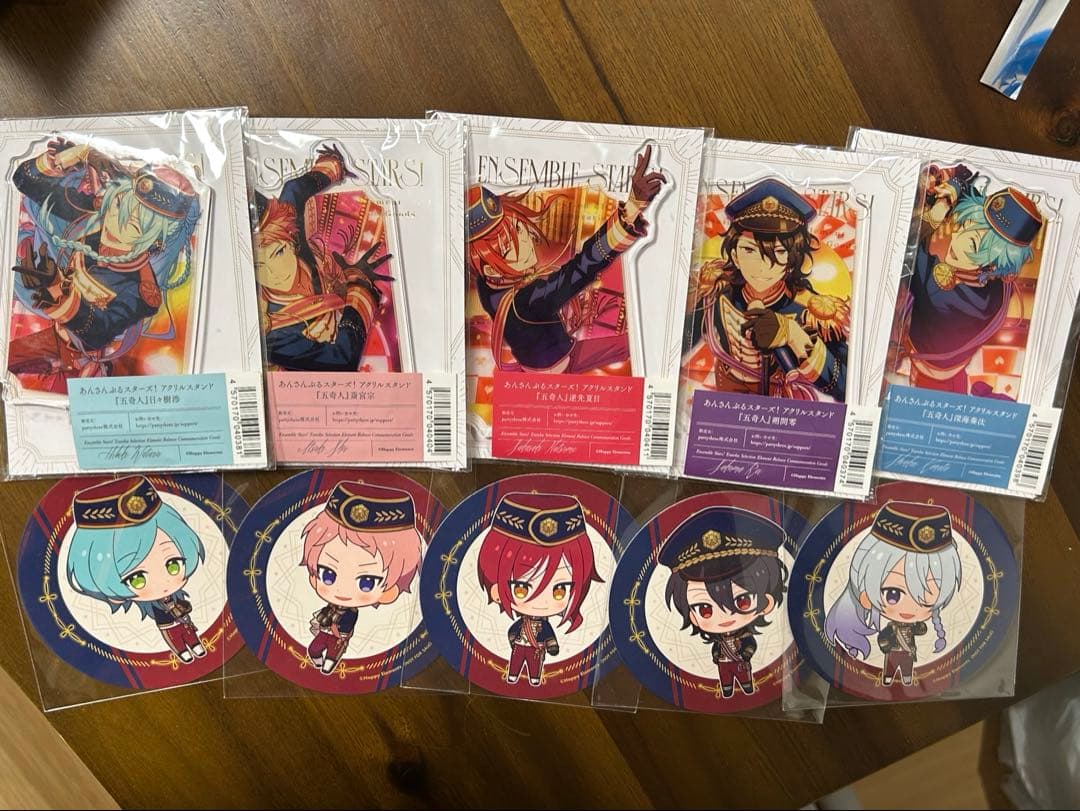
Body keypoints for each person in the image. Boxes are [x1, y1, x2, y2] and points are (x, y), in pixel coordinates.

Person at [10, 139, 200, 385]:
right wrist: (64, 160)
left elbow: (97, 331)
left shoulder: (142, 289)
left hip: (78, 362)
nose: (117, 223)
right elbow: (24, 180)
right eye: (120, 205)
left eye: (136, 224)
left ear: (154, 238)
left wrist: (57, 291)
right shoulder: (88, 217)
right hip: (42, 331)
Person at [466, 146, 664, 373]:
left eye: (519, 228)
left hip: (533, 365)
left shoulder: (487, 284)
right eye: (510, 247)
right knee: (633, 344)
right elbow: (582, 267)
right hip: (561, 366)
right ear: (491, 269)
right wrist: (631, 208)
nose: (527, 239)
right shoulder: (527, 301)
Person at [687, 178, 849, 401]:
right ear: (734, 255)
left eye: (779, 252)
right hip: (724, 400)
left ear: (792, 260)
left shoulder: (811, 311)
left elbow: (846, 385)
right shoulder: (717, 294)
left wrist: (793, 334)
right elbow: (679, 342)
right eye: (749, 251)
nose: (762, 266)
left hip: (780, 407)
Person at [900, 164, 1042, 396]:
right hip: (954, 368)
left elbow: (902, 244)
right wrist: (957, 185)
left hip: (926, 369)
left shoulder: (937, 291)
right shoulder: (996, 288)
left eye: (974, 244)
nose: (958, 239)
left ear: (994, 263)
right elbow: (976, 201)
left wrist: (938, 210)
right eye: (964, 225)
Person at [253, 144, 391, 372]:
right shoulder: (271, 335)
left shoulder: (284, 225)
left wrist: (335, 165)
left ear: (291, 241)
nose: (273, 273)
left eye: (278, 253)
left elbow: (294, 189)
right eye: (259, 265)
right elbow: (342, 359)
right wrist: (360, 290)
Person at [66, 476, 208, 663]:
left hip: (184, 620)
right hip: (166, 623)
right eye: (137, 578)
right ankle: (182, 651)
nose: (163, 582)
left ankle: (195, 644)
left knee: (187, 629)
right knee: (173, 634)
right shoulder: (152, 606)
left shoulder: (175, 595)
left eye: (173, 564)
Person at [824, 501, 963, 687]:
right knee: (890, 669)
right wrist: (886, 645)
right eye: (893, 594)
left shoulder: (912, 626)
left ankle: (905, 679)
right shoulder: (890, 628)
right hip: (893, 654)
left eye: (927, 600)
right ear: (866, 597)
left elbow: (921, 630)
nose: (910, 608)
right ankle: (889, 678)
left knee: (906, 669)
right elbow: (884, 637)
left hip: (908, 655)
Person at [476, 492, 602, 687]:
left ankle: (534, 678)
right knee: (516, 663)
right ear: (496, 590)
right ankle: (513, 675)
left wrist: (551, 646)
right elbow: (514, 630)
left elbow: (548, 635)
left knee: (534, 666)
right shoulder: (523, 623)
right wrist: (513, 639)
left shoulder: (543, 626)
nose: (542, 602)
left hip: (536, 650)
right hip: (520, 647)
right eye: (521, 588)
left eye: (560, 589)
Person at [660, 506, 787, 698]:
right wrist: (716, 656)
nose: (725, 616)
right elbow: (716, 649)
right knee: (726, 680)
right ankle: (727, 689)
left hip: (741, 663)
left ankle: (747, 687)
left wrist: (746, 654)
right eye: (704, 609)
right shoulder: (719, 641)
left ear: (766, 603)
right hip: (724, 665)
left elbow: (750, 644)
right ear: (693, 617)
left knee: (744, 678)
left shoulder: (744, 635)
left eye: (742, 601)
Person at [299, 481, 422, 675]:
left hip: (338, 638)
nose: (342, 590)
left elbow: (346, 626)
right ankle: (319, 662)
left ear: (389, 591)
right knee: (314, 650)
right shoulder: (330, 607)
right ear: (314, 576)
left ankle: (329, 663)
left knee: (332, 655)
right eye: (328, 574)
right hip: (324, 633)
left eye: (367, 582)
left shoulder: (351, 614)